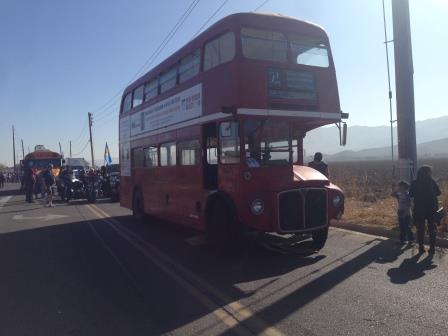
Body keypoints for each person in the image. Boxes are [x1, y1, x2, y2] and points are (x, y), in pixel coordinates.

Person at [409, 165, 441, 254]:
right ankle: (432, 248)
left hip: (419, 209)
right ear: (429, 173)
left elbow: (411, 194)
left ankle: (421, 247)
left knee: (420, 229)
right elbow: (438, 193)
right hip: (432, 209)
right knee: (432, 229)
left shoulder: (415, 182)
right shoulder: (432, 182)